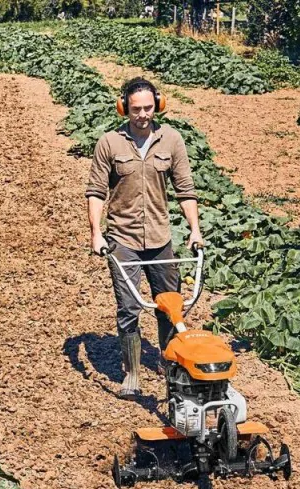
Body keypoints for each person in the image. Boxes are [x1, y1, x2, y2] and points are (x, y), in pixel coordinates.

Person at [85, 76, 203, 398]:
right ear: (124, 108)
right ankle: (132, 373)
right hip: (123, 240)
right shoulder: (109, 143)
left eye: (148, 108)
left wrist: (194, 229)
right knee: (128, 308)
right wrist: (96, 233)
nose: (142, 115)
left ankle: (169, 362)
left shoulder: (172, 140)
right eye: (136, 109)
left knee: (171, 305)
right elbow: (96, 192)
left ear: (158, 105)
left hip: (161, 239)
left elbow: (185, 190)